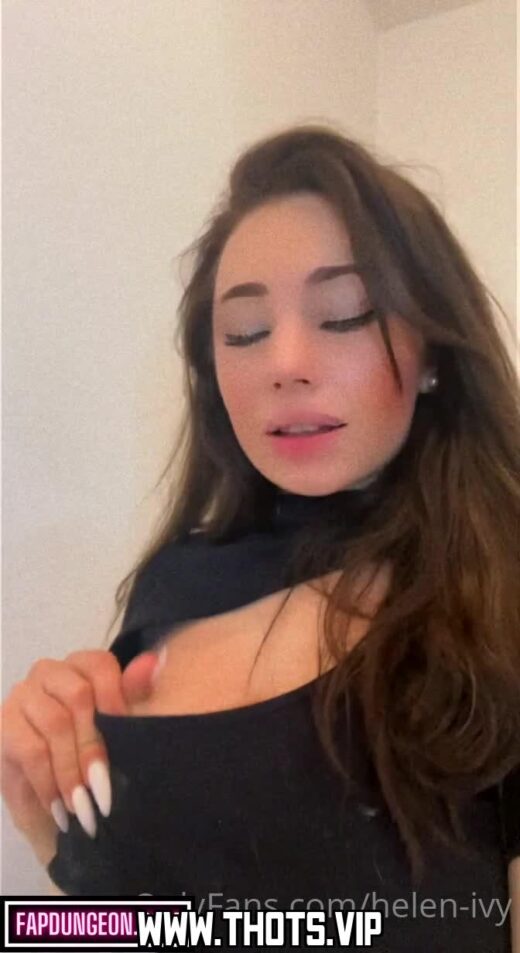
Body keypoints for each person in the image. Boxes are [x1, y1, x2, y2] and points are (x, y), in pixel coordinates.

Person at [1, 123, 519, 951]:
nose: (285, 361)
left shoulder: (498, 593)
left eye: (344, 315)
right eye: (243, 331)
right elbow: (128, 921)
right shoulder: (171, 585)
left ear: (433, 351)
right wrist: (45, 802)